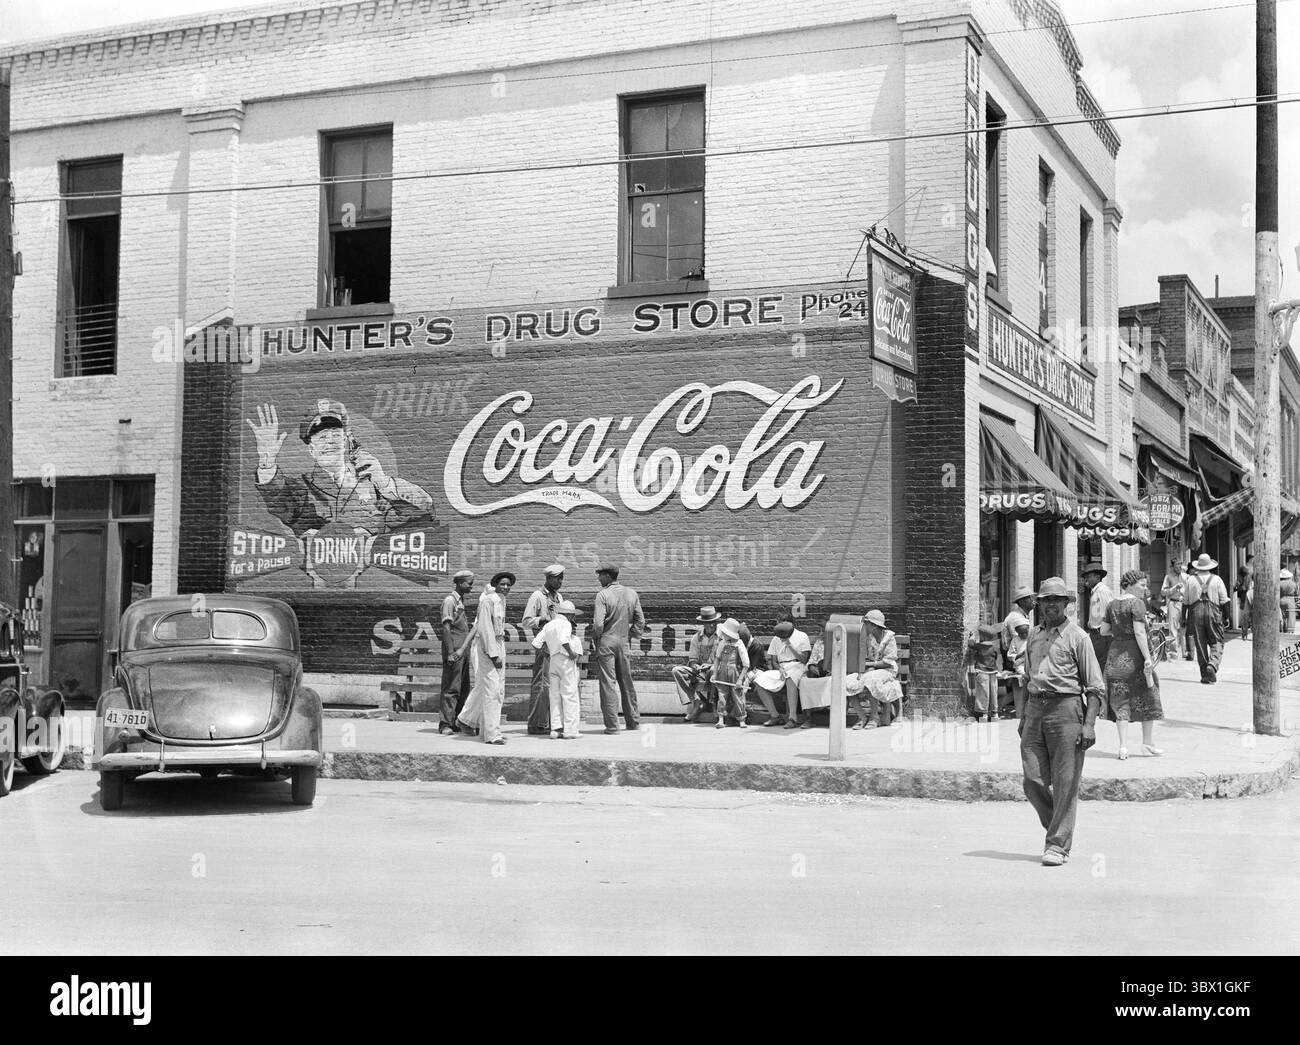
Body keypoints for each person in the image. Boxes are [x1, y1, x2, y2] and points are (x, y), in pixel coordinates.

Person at [247, 400, 434, 538]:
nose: (329, 441)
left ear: (346, 441)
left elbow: (423, 511)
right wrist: (266, 462)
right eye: (321, 437)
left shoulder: (371, 485)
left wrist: (384, 483)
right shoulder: (300, 489)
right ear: (311, 450)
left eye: (335, 435)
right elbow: (278, 498)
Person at [1021, 576, 1104, 867]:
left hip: (1066, 710)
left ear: (1067, 604)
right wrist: (1023, 716)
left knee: (1066, 782)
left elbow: (1095, 686)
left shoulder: (1078, 637)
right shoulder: (1033, 635)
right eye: (1046, 600)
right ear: (1039, 604)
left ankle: (1057, 844)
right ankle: (1060, 825)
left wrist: (1089, 724)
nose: (1051, 605)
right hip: (1035, 710)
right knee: (1032, 781)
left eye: (1057, 600)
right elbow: (1027, 677)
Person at [1102, 569, 1164, 759]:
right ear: (1130, 584)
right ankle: (1147, 744)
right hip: (1135, 656)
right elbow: (1139, 633)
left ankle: (1122, 747)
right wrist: (1147, 658)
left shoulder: (1112, 604)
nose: (1145, 589)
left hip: (1115, 657)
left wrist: (1120, 632)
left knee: (1120, 700)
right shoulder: (1137, 604)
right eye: (1142, 585)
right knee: (1148, 696)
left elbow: (1104, 630)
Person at [456, 571, 514, 744]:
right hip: (488, 648)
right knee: (492, 691)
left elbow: (497, 627)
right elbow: (485, 629)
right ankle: (491, 735)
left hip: (499, 643)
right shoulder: (487, 601)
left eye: (508, 585)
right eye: (502, 584)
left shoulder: (501, 600)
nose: (505, 587)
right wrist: (493, 653)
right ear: (495, 585)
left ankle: (485, 729)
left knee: (498, 690)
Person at [591, 564, 646, 734]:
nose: (599, 578)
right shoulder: (631, 593)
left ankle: (613, 726)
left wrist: (596, 638)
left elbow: (598, 624)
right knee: (626, 682)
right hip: (623, 641)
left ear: (608, 576)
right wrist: (630, 635)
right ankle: (633, 722)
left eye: (600, 575)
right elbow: (640, 621)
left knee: (608, 684)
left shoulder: (603, 595)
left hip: (607, 641)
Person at [521, 564, 565, 736]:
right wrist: (542, 619)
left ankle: (546, 722)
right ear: (548, 578)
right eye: (557, 578)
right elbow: (526, 621)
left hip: (557, 647)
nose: (560, 581)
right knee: (541, 685)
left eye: (562, 578)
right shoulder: (537, 596)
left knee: (553, 686)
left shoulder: (559, 597)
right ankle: (535, 724)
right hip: (544, 646)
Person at [532, 600, 584, 740]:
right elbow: (564, 640)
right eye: (572, 615)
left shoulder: (549, 625)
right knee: (569, 694)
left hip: (553, 659)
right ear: (569, 615)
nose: (573, 618)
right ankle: (570, 730)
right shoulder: (565, 623)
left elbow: (536, 643)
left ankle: (556, 729)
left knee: (554, 695)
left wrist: (547, 652)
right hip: (565, 659)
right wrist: (571, 653)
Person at [749, 617, 809, 728]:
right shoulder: (776, 638)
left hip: (797, 666)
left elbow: (804, 660)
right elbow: (774, 661)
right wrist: (779, 669)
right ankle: (775, 716)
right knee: (759, 680)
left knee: (791, 678)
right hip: (781, 668)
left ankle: (792, 718)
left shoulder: (802, 636)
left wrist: (789, 645)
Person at [849, 609, 904, 729]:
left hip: (887, 670)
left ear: (874, 626)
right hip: (871, 669)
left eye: (867, 623)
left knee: (870, 679)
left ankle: (874, 717)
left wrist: (870, 666)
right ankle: (862, 717)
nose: (864, 626)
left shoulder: (889, 638)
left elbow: (888, 662)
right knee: (848, 681)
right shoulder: (868, 637)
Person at [437, 569, 475, 734]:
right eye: (469, 583)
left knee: (463, 687)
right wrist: (451, 652)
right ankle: (445, 724)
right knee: (451, 688)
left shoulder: (460, 601)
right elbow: (446, 629)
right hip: (455, 651)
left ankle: (455, 722)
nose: (471, 587)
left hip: (463, 651)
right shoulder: (450, 601)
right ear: (460, 583)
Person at [1184, 553, 1232, 684]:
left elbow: (1186, 602)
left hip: (1195, 612)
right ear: (1210, 566)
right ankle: (1213, 664)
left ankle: (1205, 674)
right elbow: (1224, 600)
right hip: (1213, 612)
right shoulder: (1217, 579)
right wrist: (1227, 617)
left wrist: (1184, 618)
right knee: (1217, 640)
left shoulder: (1190, 580)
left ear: (1198, 566)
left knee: (1200, 643)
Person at [673, 606, 722, 723]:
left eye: (713, 622)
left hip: (716, 670)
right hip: (700, 671)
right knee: (676, 670)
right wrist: (695, 665)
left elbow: (723, 659)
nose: (712, 625)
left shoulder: (721, 637)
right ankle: (696, 701)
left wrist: (710, 665)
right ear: (703, 624)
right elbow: (693, 658)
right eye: (708, 623)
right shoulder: (696, 638)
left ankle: (712, 703)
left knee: (713, 669)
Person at [708, 618, 752, 729]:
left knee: (738, 696)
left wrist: (740, 679)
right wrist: (714, 674)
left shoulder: (739, 644)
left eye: (724, 632)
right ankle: (721, 719)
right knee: (722, 695)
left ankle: (742, 719)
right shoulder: (722, 643)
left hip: (734, 672)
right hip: (722, 671)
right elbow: (717, 658)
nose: (722, 633)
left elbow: (746, 664)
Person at [1000, 586, 1036, 718]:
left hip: (1019, 658)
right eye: (1029, 598)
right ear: (1021, 602)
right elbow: (1024, 644)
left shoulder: (1021, 616)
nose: (1033, 600)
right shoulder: (1017, 619)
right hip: (1016, 661)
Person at [966, 624, 1003, 722]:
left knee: (983, 693)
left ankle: (984, 714)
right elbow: (997, 658)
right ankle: (995, 713)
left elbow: (971, 644)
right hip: (993, 672)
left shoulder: (980, 646)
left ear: (983, 636)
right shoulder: (994, 647)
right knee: (993, 692)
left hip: (982, 672)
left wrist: (971, 637)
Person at [1081, 560, 1113, 669]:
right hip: (1096, 634)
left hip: (1101, 634)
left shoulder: (1102, 591)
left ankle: (1103, 685)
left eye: (1089, 576)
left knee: (1100, 664)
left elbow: (1108, 612)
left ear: (1097, 577)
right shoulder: (1095, 591)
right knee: (1097, 663)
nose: (1086, 580)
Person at [1160, 561, 1187, 660]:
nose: (1179, 567)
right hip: (1173, 603)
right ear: (1172, 566)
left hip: (1184, 603)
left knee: (1185, 628)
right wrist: (1175, 588)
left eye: (1181, 564)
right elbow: (1163, 592)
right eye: (1177, 565)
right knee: (1173, 628)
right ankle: (1173, 652)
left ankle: (1185, 652)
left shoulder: (1186, 576)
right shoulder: (1168, 577)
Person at [1235, 555, 1254, 639]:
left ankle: (1245, 632)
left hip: (1247, 593)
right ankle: (1246, 632)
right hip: (1248, 593)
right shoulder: (1247, 570)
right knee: (1248, 614)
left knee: (1246, 614)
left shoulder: (1250, 569)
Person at [1280, 569, 1297, 634]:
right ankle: (1290, 630)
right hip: (1291, 600)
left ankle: (1282, 628)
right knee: (1291, 615)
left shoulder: (1279, 583)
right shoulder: (1293, 584)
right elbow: (1296, 593)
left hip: (1281, 599)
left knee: (1281, 615)